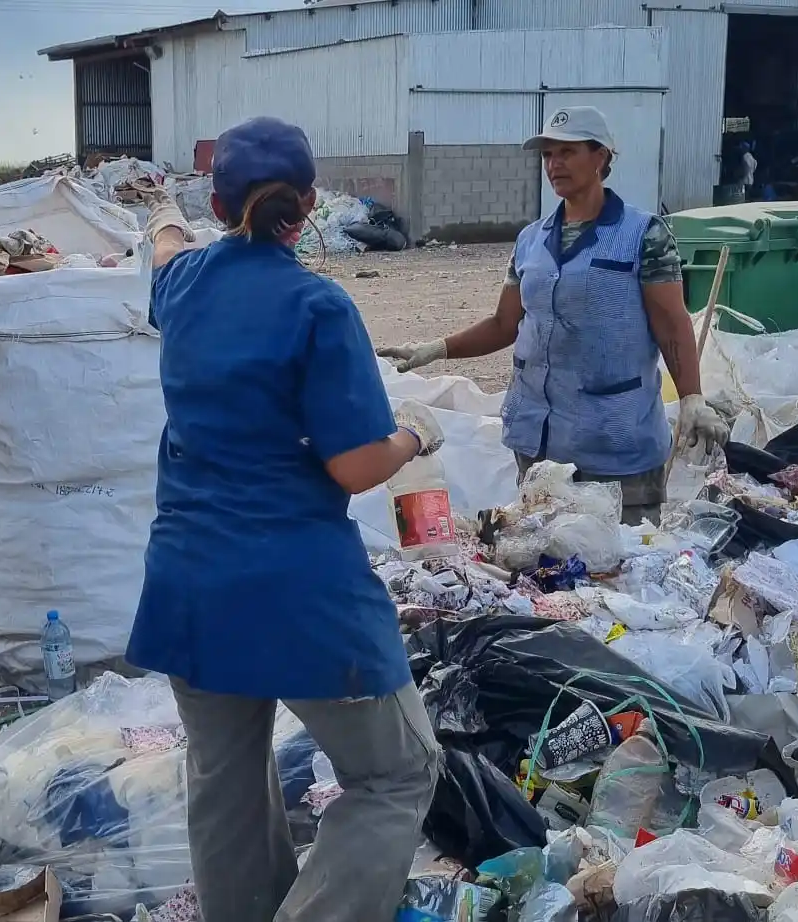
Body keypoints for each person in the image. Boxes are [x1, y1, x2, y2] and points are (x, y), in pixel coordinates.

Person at [128, 116, 443, 922]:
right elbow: (354, 464)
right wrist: (415, 433)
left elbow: (165, 248)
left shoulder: (185, 284)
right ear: (307, 204)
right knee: (398, 772)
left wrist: (166, 212)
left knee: (227, 784)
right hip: (296, 585)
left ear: (218, 198)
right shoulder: (316, 304)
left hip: (189, 581)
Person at [381, 106, 729, 525]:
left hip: (614, 443)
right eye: (548, 155)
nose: (554, 164)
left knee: (620, 572)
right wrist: (435, 349)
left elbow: (671, 322)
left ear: (600, 157)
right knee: (544, 566)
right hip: (538, 440)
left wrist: (691, 395)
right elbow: (504, 324)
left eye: (567, 152)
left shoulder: (644, 234)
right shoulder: (531, 240)